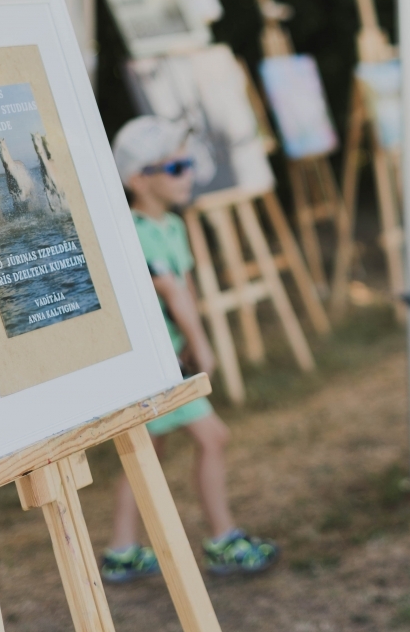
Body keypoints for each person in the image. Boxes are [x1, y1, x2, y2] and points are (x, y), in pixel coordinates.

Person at [103, 116, 279, 581]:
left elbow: (185, 286)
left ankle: (121, 549)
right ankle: (222, 539)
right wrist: (203, 348)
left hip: (171, 359)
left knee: (147, 452)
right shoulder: (135, 233)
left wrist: (193, 337)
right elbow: (174, 296)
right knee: (212, 437)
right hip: (157, 366)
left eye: (188, 163)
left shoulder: (174, 228)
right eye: (176, 166)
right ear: (138, 178)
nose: (189, 174)